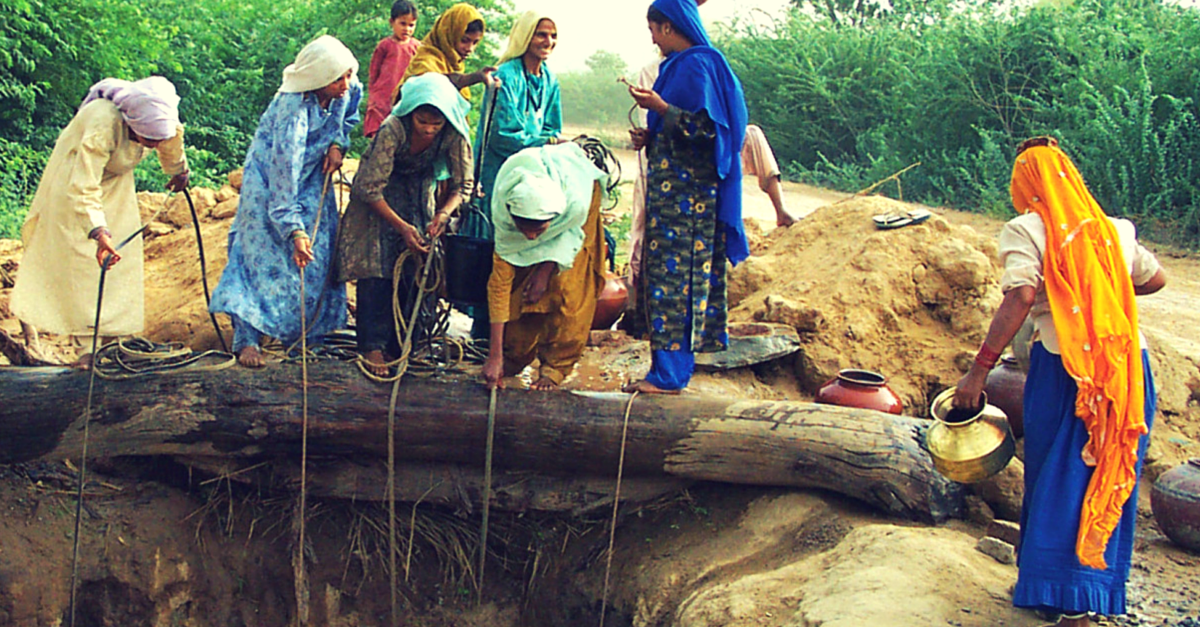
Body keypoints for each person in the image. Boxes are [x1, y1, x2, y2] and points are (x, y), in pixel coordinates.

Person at [952, 137, 1166, 627]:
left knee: (1058, 474)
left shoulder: (1026, 228)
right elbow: (1156, 281)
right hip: (1129, 368)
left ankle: (1073, 607)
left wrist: (980, 368)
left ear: (1026, 184)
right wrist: (1097, 279)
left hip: (1068, 367)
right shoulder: (1113, 230)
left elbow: (1023, 294)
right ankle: (1060, 589)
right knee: (1105, 472)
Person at [10, 77, 189, 366]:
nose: (154, 144)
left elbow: (171, 143)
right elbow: (83, 186)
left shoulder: (161, 116)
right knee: (86, 267)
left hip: (116, 187)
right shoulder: (103, 122)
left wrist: (178, 170)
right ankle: (86, 350)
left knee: (121, 261)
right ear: (132, 124)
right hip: (75, 186)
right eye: (149, 139)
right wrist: (98, 231)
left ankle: (113, 343)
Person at [209, 35, 362, 368]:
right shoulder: (293, 110)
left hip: (313, 175)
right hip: (269, 182)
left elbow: (350, 114)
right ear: (318, 78)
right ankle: (247, 339)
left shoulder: (345, 88)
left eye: (347, 75)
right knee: (260, 258)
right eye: (338, 79)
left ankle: (309, 337)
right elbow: (283, 174)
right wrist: (294, 229)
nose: (345, 84)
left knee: (319, 254)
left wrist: (338, 144)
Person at [621, 0, 749, 395]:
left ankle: (670, 375)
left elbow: (713, 132)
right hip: (670, 199)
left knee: (676, 283)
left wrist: (661, 108)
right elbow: (682, 129)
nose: (653, 39)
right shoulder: (678, 66)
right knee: (664, 279)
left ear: (668, 27)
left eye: (654, 31)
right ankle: (668, 370)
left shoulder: (698, 65)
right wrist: (651, 135)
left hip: (688, 204)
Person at [335, 73, 473, 376]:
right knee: (379, 267)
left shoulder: (454, 133)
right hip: (378, 200)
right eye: (422, 122)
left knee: (421, 266)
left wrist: (443, 214)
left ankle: (409, 344)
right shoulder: (392, 129)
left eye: (435, 125)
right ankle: (372, 345)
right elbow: (368, 188)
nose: (428, 130)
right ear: (410, 113)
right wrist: (401, 227)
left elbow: (464, 186)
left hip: (419, 193)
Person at [463, 10, 563, 339]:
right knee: (496, 250)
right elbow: (502, 135)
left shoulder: (550, 80)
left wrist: (547, 142)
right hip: (500, 175)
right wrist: (543, 141)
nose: (547, 42)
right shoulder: (505, 75)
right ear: (525, 36)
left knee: (529, 244)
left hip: (533, 175)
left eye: (552, 36)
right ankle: (482, 334)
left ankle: (513, 336)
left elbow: (553, 126)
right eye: (540, 34)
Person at [480, 142, 607, 391]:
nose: (529, 238)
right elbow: (499, 287)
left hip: (578, 197)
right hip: (544, 198)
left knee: (568, 288)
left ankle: (555, 367)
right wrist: (494, 356)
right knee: (523, 292)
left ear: (552, 218)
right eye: (523, 229)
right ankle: (513, 356)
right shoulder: (505, 210)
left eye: (538, 230)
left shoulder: (575, 205)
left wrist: (545, 269)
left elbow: (567, 237)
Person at [395, 3, 493, 102]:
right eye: (464, 40)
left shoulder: (453, 66)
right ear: (449, 35)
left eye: (475, 42)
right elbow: (431, 85)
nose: (469, 49)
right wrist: (471, 78)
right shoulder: (425, 61)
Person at [363, 0, 420, 138]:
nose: (407, 29)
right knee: (378, 133)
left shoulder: (418, 48)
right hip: (382, 98)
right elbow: (374, 72)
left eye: (411, 25)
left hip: (405, 98)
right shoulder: (384, 46)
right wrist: (372, 98)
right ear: (392, 22)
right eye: (402, 24)